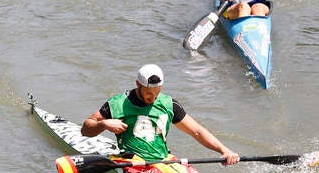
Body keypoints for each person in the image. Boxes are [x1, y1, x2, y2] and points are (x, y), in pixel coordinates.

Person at [81, 64, 239, 165]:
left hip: (162, 161)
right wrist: (103, 124)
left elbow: (197, 131)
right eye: (149, 93)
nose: (153, 98)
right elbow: (85, 129)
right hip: (131, 162)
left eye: (157, 93)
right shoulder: (117, 104)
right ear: (138, 84)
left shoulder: (169, 104)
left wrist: (224, 150)